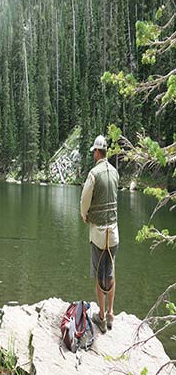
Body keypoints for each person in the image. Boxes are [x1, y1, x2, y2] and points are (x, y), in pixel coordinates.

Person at [80, 135, 119, 333]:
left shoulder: (94, 174)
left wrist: (84, 214)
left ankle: (101, 317)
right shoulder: (115, 172)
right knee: (110, 273)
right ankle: (112, 313)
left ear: (97, 152)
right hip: (113, 233)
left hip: (98, 233)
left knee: (98, 275)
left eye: (93, 152)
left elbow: (85, 199)